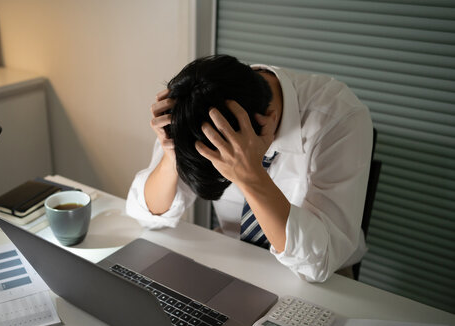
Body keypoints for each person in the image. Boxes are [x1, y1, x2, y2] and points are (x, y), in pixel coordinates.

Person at [126, 55, 372, 282]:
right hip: (233, 255)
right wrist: (171, 154)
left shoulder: (340, 117)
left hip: (320, 279)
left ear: (269, 119)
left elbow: (318, 262)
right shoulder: (203, 102)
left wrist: (250, 175)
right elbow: (147, 216)